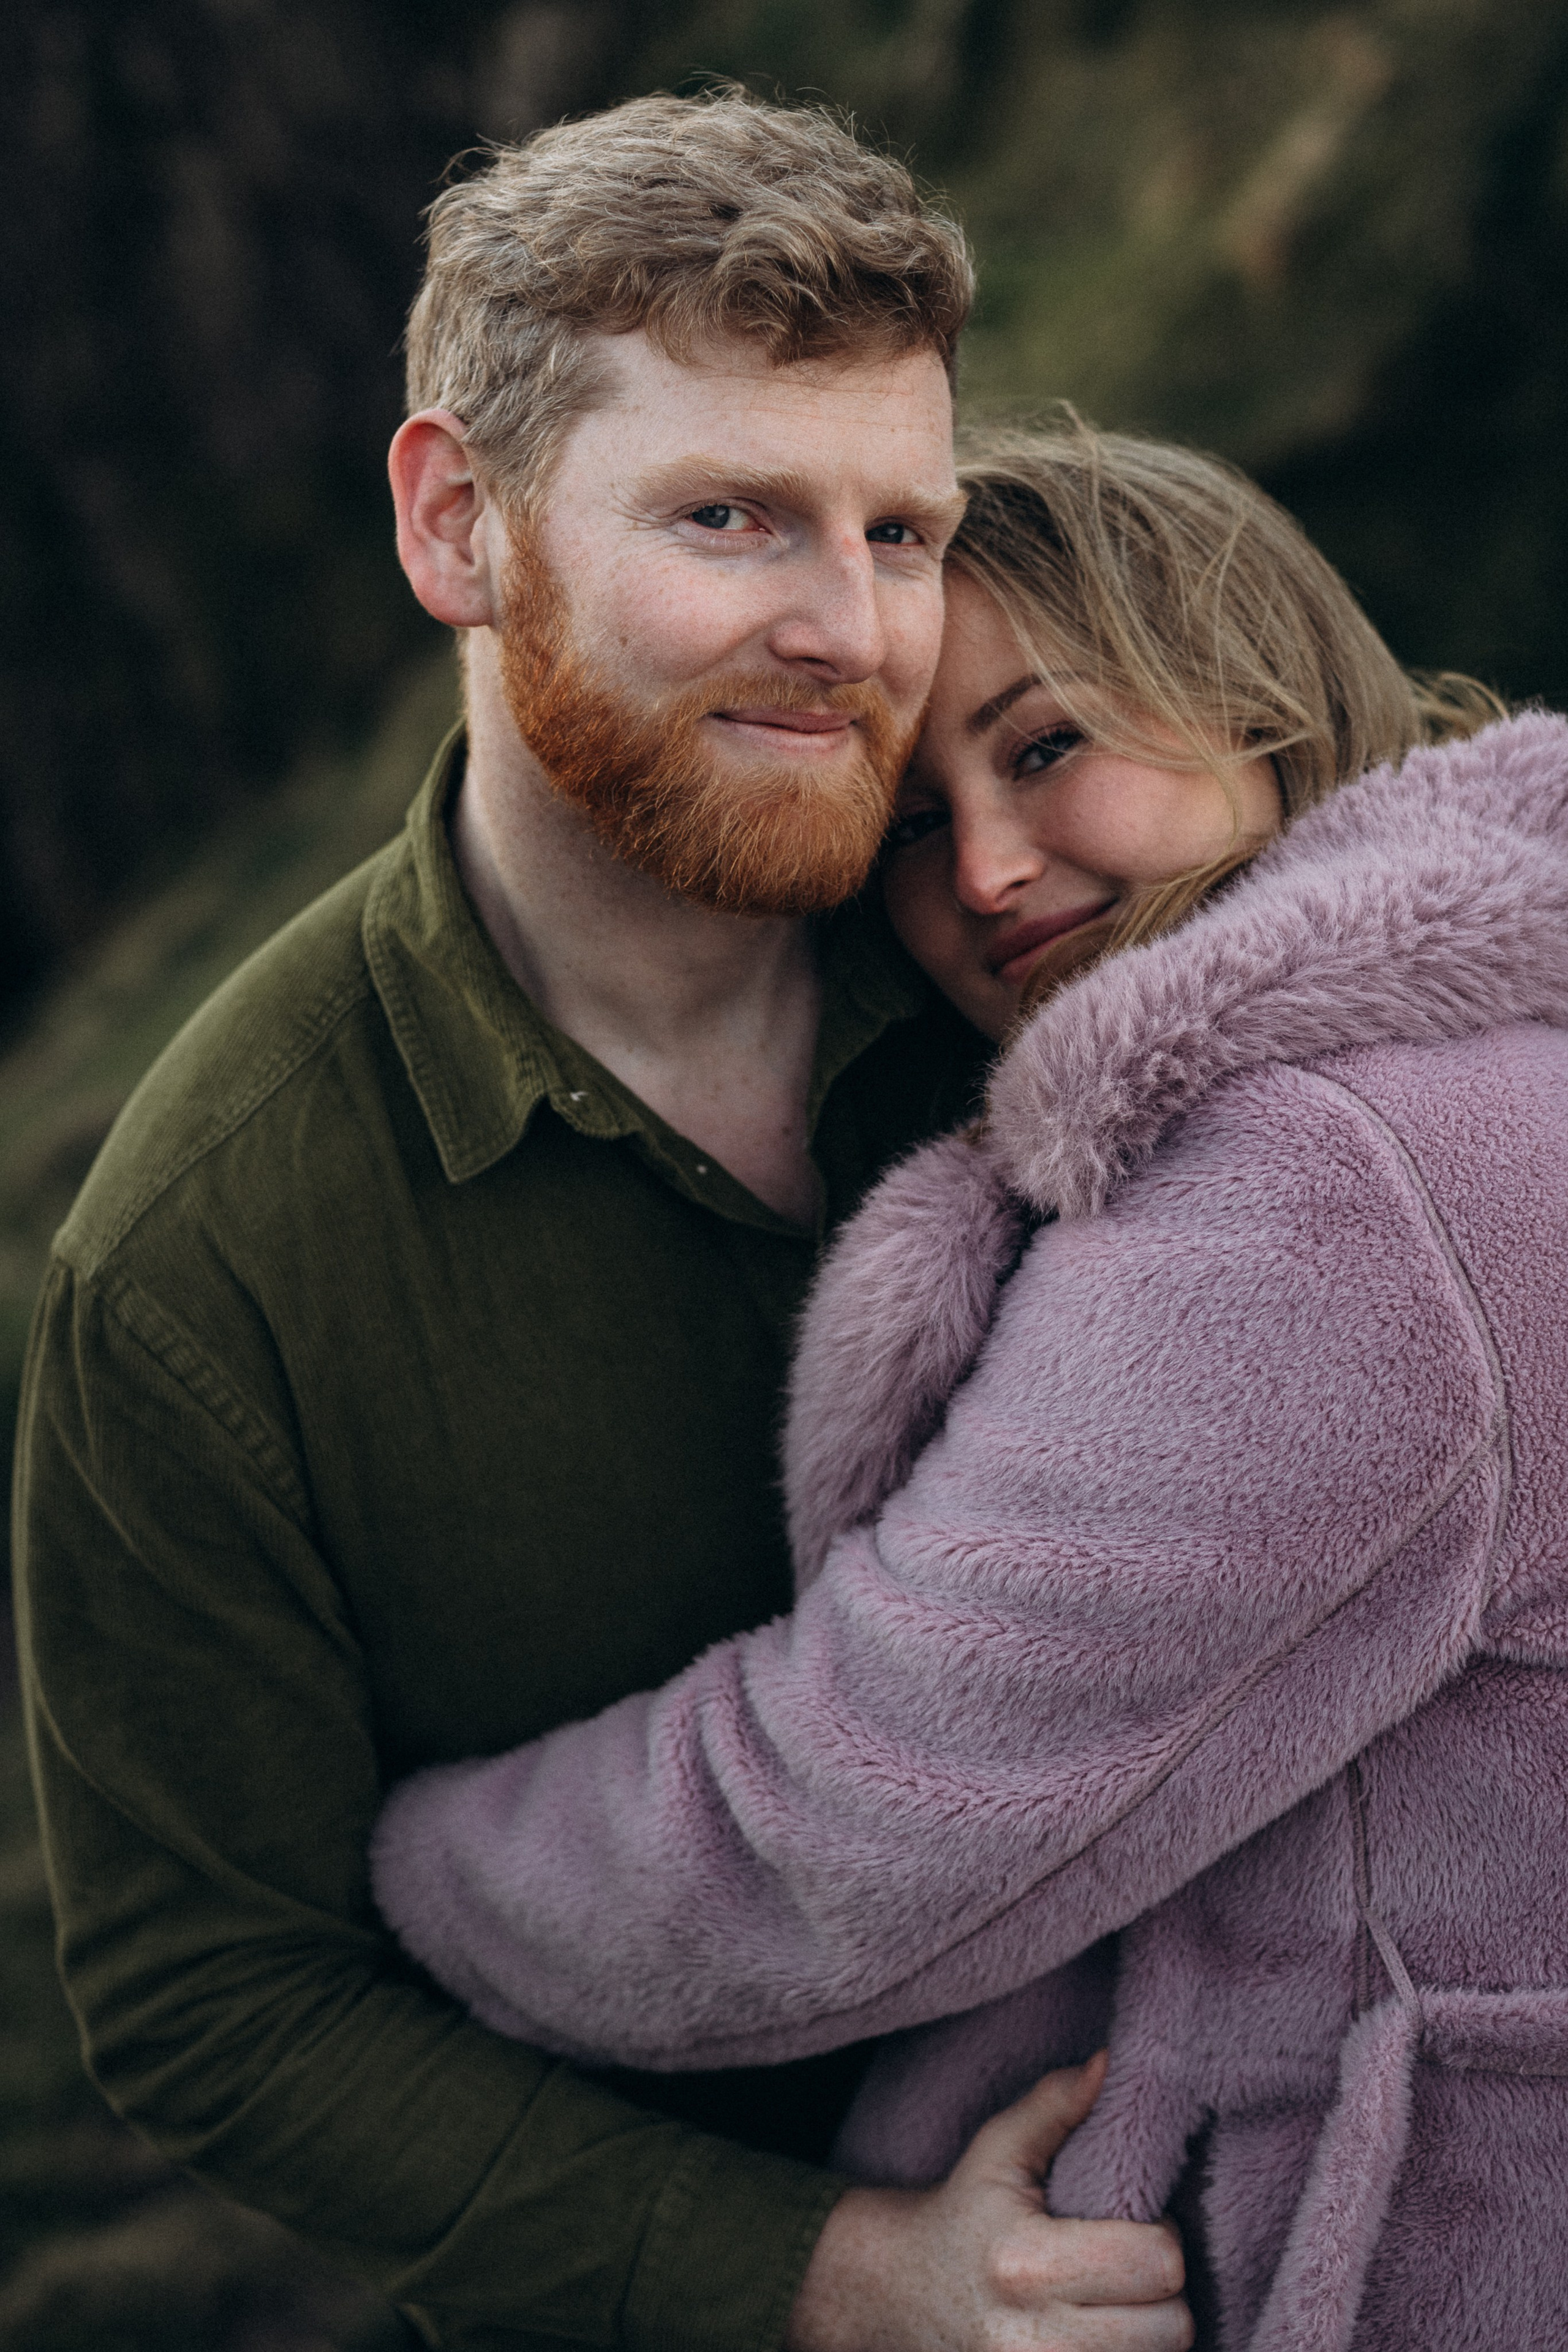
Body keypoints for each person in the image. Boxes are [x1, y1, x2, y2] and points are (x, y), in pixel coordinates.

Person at [12, 96, 1189, 2352]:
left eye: (902, 530)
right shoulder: (198, 1265)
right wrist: (829, 2284)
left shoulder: (1076, 945)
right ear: (461, 524)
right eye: (734, 516)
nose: (854, 633)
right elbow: (214, 2002)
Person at [372, 420, 1568, 2348]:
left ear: (1251, 694)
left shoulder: (1332, 1180)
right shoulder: (1486, 1052)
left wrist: (395, 1870)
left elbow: (852, 1820)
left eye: (1045, 747)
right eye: (912, 824)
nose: (989, 871)